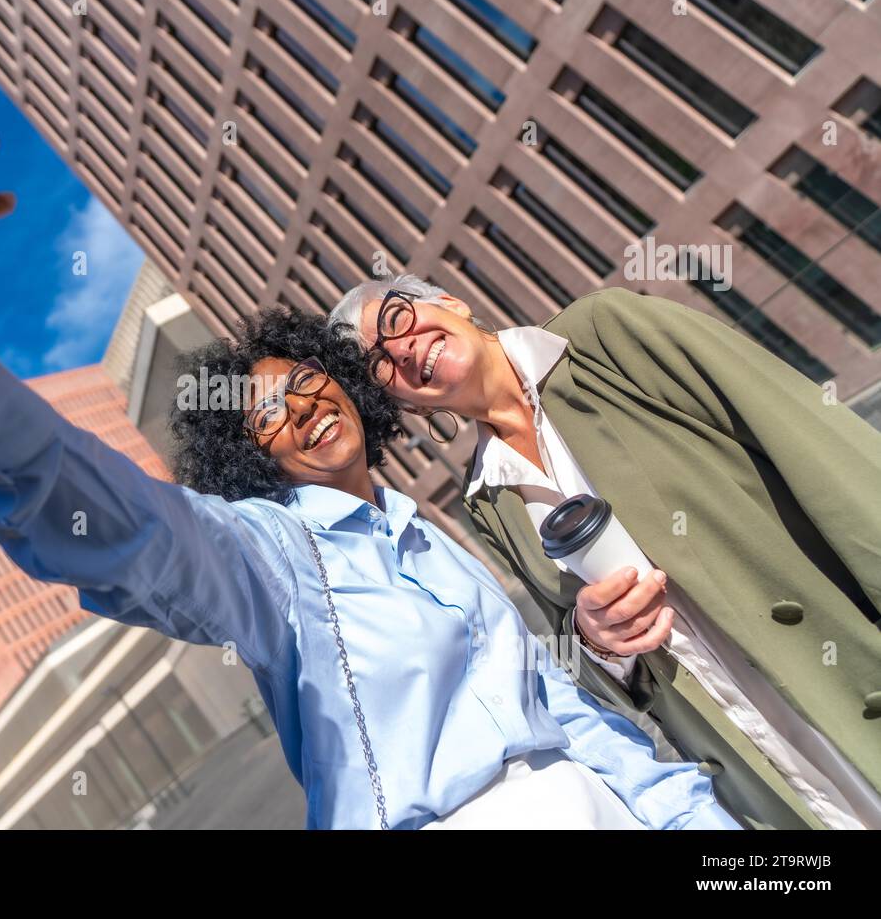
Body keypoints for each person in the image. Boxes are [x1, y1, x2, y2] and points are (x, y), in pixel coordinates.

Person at [0, 79, 739, 829]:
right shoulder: (270, 560)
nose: (302, 407)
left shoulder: (439, 536)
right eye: (266, 416)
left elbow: (565, 717)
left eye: (309, 380)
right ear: (255, 463)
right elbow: (134, 531)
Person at [331, 274, 881, 829]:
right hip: (765, 770)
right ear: (400, 401)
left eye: (398, 319)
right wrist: (599, 642)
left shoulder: (605, 336)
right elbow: (579, 664)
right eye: (381, 365)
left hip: (840, 678)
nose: (401, 350)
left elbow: (823, 457)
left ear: (451, 303)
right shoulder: (487, 500)